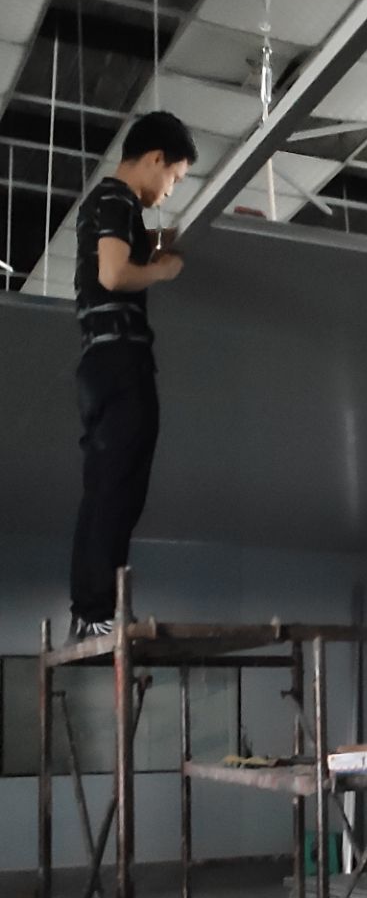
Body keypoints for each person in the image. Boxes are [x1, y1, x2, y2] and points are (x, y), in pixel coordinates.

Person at [69, 110, 197, 639]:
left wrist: (165, 244)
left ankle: (91, 609)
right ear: (155, 159)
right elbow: (114, 273)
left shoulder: (104, 205)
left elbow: (123, 255)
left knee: (107, 486)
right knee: (120, 488)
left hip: (101, 362)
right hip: (121, 360)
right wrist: (162, 270)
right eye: (175, 178)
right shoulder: (117, 198)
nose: (169, 190)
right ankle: (99, 610)